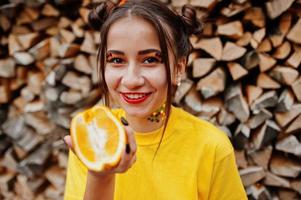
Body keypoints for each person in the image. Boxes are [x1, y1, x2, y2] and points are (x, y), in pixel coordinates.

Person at [63, 0, 247, 199]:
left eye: (150, 60)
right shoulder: (91, 138)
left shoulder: (211, 146)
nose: (132, 80)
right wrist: (100, 177)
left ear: (179, 68)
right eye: (116, 60)